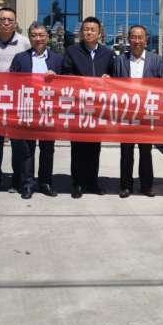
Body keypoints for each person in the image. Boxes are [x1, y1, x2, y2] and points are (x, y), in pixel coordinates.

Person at [62, 16, 115, 198]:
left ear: (100, 34)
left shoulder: (107, 54)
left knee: (94, 146)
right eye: (86, 29)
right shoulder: (72, 51)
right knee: (77, 146)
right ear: (81, 32)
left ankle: (92, 182)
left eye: (93, 30)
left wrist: (109, 78)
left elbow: (114, 76)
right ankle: (78, 183)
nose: (89, 32)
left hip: (98, 108)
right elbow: (66, 73)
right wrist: (84, 83)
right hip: (78, 106)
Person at [9, 23, 63, 199]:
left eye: (41, 35)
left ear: (47, 37)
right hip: (27, 109)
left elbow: (66, 84)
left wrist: (56, 78)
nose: (38, 38)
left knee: (47, 149)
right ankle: (28, 184)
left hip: (49, 110)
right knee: (26, 150)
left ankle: (45, 183)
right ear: (29, 37)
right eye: (34, 35)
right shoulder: (20, 58)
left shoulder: (57, 59)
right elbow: (12, 83)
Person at [110, 25, 163, 198]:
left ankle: (147, 186)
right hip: (126, 114)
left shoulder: (156, 60)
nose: (137, 41)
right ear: (128, 40)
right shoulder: (119, 60)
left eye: (140, 37)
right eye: (133, 37)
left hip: (147, 113)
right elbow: (114, 87)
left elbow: (162, 86)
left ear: (146, 40)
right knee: (126, 151)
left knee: (146, 151)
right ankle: (126, 185)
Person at [0, 7, 31, 193]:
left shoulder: (25, 42)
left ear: (16, 23)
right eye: (2, 19)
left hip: (18, 99)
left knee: (17, 140)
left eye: (10, 20)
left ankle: (17, 177)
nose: (6, 23)